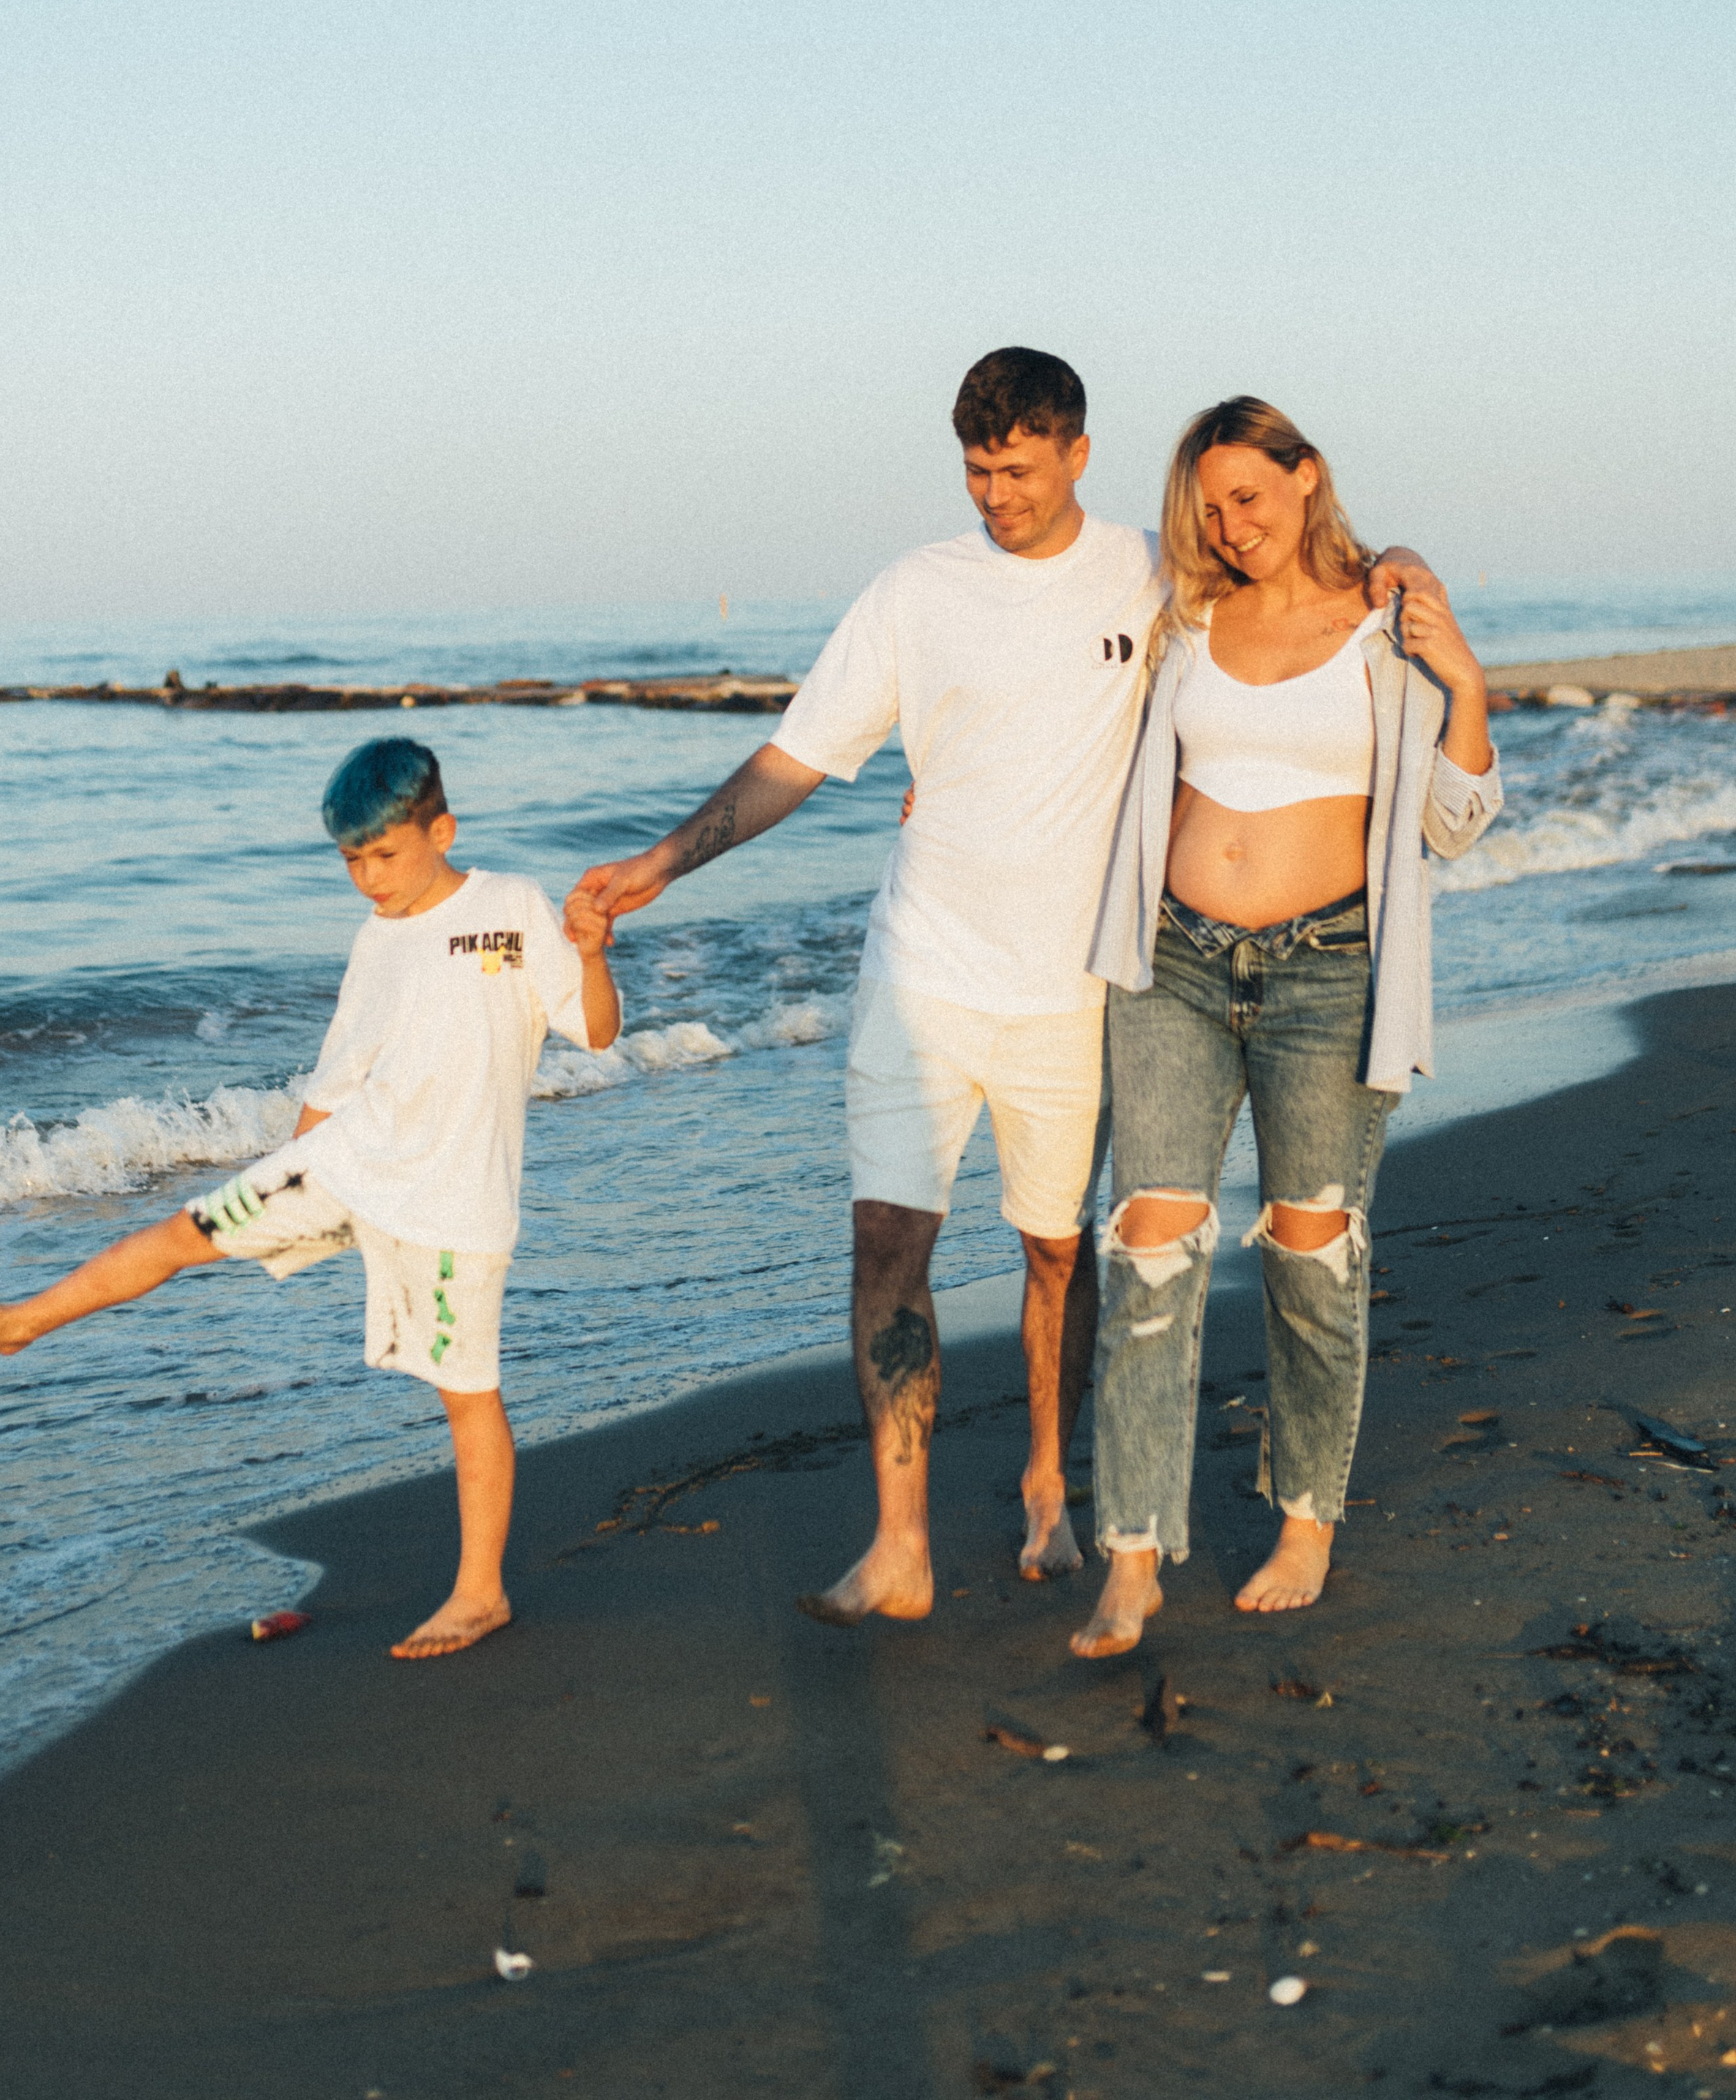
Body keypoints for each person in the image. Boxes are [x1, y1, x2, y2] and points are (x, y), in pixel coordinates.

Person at [574, 349, 1434, 1627]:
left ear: (1078, 453)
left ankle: (1049, 1482)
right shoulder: (915, 592)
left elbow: (1285, 607)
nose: (998, 495)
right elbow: (799, 756)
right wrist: (664, 862)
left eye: (1021, 470)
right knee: (889, 1241)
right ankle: (901, 1543)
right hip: (921, 970)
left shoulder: (1161, 574)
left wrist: (1397, 580)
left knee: (1057, 1250)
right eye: (978, 471)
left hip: (1074, 989)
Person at [0, 736, 620, 1662]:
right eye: (350, 861)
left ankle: (480, 1593)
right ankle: (21, 1322)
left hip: (455, 1198)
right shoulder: (375, 946)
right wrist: (287, 1180)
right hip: (348, 1160)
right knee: (182, 1233)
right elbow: (335, 1083)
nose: (368, 879)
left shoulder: (512, 908)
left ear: (441, 830)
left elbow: (599, 1031)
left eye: (384, 855)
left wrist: (589, 950)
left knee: (467, 1395)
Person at [1070, 397, 1500, 1663]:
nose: (1231, 525)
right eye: (1209, 506)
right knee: (1148, 1244)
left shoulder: (1392, 624)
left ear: (1308, 478)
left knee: (1315, 1256)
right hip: (1173, 965)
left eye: (1251, 497)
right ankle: (1132, 1556)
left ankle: (1306, 1522)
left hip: (1332, 974)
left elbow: (1456, 822)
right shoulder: (1184, 615)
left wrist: (1464, 674)